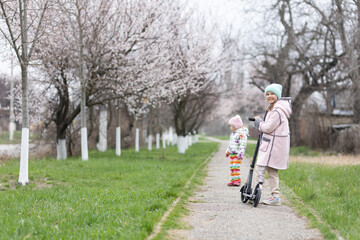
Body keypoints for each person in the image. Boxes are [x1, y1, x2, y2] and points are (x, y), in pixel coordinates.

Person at [254, 83, 292, 205]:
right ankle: (275, 197)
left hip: (273, 145)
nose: (269, 96)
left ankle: (255, 193)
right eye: (268, 94)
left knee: (260, 169)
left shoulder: (277, 111)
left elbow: (268, 127)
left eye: (272, 94)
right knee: (272, 171)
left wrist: (259, 122)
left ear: (278, 96)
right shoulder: (275, 109)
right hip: (275, 145)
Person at [225, 115, 249, 186]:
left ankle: (237, 180)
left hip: (238, 154)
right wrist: (228, 151)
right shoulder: (233, 134)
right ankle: (233, 180)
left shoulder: (241, 134)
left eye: (231, 126)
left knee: (236, 167)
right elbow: (231, 144)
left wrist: (241, 153)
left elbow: (243, 144)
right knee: (232, 167)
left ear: (236, 126)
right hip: (232, 153)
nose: (230, 127)